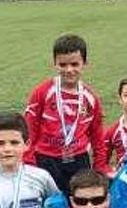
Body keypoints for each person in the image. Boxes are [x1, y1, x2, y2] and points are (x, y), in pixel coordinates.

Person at [23, 34, 109, 194]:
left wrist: (100, 166)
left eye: (75, 64)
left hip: (79, 159)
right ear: (54, 63)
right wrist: (28, 162)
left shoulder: (91, 98)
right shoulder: (42, 92)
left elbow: (97, 136)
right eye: (63, 64)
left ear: (85, 64)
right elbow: (29, 129)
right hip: (45, 159)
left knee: (79, 203)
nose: (69, 70)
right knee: (49, 204)